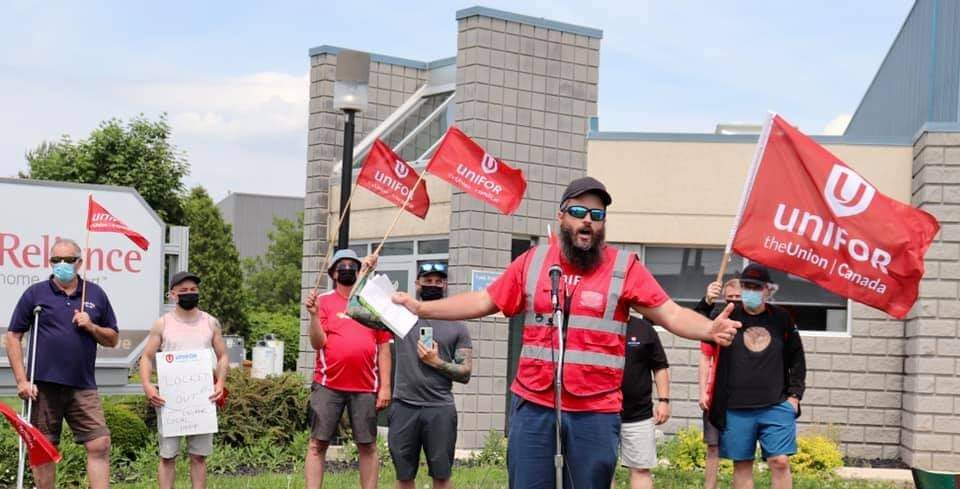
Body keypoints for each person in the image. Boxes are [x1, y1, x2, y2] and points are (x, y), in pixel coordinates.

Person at [392, 177, 742, 488]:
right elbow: (485, 299)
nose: (588, 220)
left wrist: (710, 329)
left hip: (595, 410)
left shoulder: (625, 267)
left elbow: (670, 313)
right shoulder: (532, 262)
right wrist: (422, 308)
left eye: (597, 214)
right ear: (562, 217)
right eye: (579, 211)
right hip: (534, 405)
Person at [4, 238, 119, 489]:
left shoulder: (95, 294)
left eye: (68, 260)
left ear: (79, 262)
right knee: (43, 447)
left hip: (83, 385)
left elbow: (112, 339)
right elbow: (13, 336)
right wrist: (22, 380)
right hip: (43, 385)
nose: (62, 264)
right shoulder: (36, 293)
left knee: (99, 443)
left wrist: (91, 325)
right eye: (56, 260)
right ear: (50, 262)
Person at [708, 264, 806, 489]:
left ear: (767, 290)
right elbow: (699, 323)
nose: (750, 291)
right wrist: (707, 300)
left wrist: (794, 396)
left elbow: (797, 358)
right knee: (742, 465)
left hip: (776, 404)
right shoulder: (729, 314)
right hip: (735, 407)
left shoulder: (781, 318)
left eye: (756, 287)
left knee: (780, 461)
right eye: (746, 286)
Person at [303, 249, 393, 489]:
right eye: (341, 265)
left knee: (368, 445)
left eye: (351, 265)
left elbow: (384, 347)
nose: (346, 269)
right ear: (333, 273)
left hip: (365, 387)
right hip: (327, 384)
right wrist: (313, 316)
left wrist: (385, 387)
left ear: (357, 270)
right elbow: (317, 343)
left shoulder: (372, 302)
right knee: (317, 444)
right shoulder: (323, 301)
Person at [139, 271, 229, 489]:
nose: (190, 294)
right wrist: (148, 386)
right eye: (184, 291)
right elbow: (147, 357)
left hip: (203, 399)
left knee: (199, 456)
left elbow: (223, 356)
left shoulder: (210, 322)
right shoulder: (162, 324)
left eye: (193, 290)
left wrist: (220, 383)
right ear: (172, 295)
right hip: (170, 401)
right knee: (168, 456)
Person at [389, 262, 472, 489]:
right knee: (404, 476)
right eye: (427, 281)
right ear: (417, 284)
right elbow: (358, 310)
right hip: (404, 406)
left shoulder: (457, 325)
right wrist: (365, 272)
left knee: (442, 476)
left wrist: (437, 362)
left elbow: (465, 373)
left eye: (438, 281)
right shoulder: (401, 318)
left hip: (439, 409)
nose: (433, 285)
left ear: (445, 285)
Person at [694, 278, 741, 489]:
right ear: (724, 298)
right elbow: (705, 358)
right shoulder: (715, 320)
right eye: (730, 297)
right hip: (715, 395)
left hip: (742, 396)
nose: (734, 302)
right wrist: (702, 391)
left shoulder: (753, 324)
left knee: (741, 449)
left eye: (738, 298)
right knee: (713, 446)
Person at [616, 316, 670, 489]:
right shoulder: (596, 325)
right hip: (600, 413)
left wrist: (664, 401)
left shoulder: (644, 329)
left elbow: (660, 366)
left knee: (640, 469)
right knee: (602, 469)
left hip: (638, 415)